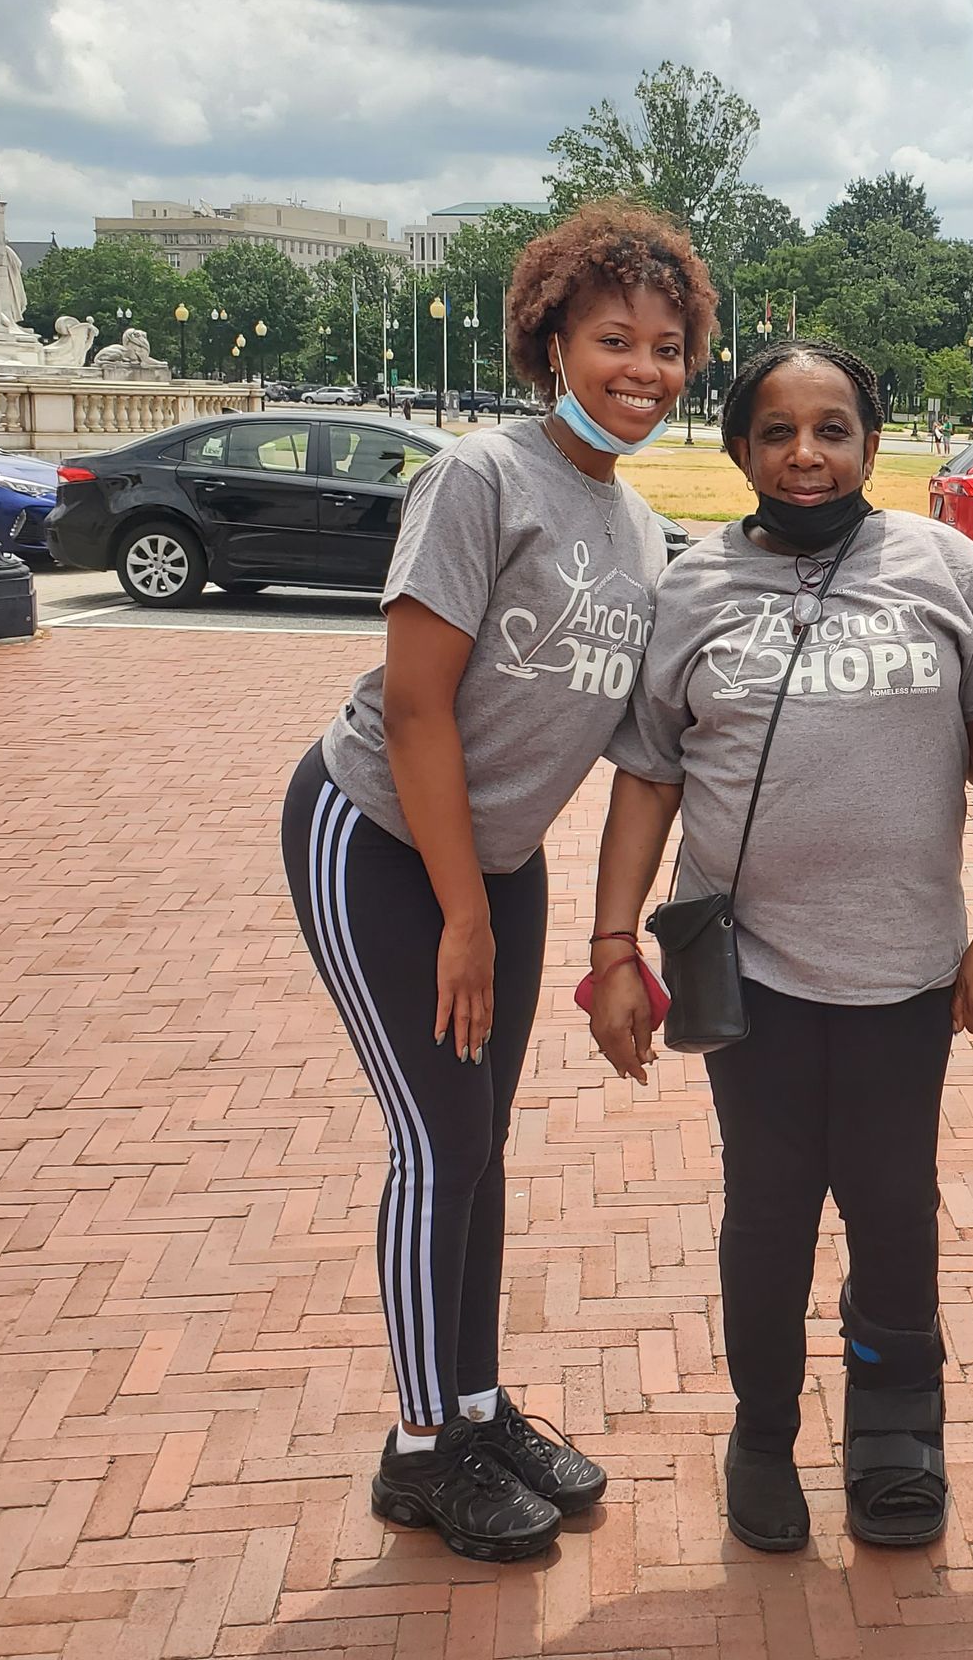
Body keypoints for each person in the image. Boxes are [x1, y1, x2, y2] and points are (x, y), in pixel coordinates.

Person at [278, 201, 716, 1562]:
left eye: (664, 345)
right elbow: (416, 711)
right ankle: (421, 1453)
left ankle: (473, 1402)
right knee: (439, 1142)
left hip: (500, 868)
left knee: (484, 1143)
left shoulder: (642, 531)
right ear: (552, 341)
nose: (640, 368)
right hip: (379, 840)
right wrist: (462, 914)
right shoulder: (481, 480)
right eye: (611, 339)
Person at [590, 338, 973, 1554]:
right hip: (752, 972)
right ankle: (763, 1430)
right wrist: (614, 945)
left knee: (891, 1204)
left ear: (872, 444)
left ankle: (896, 1430)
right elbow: (647, 776)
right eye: (777, 432)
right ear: (738, 450)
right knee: (770, 1208)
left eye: (832, 429)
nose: (806, 454)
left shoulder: (947, 568)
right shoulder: (693, 588)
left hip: (905, 968)